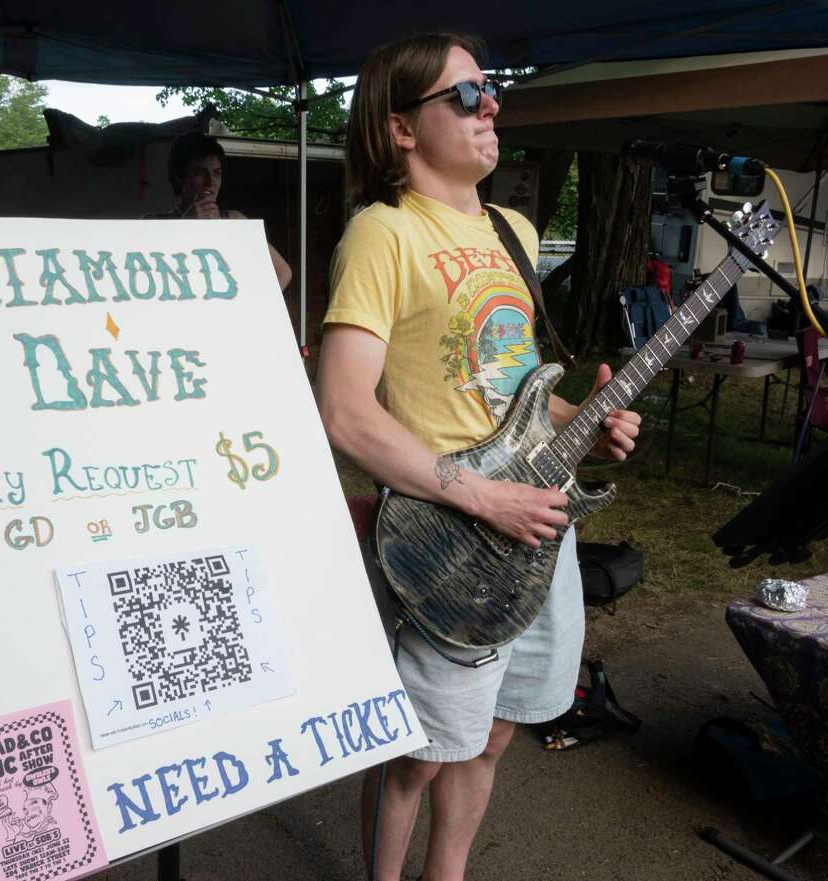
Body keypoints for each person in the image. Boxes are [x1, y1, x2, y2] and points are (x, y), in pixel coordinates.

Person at [315, 34, 641, 881]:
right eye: (464, 96)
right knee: (417, 755)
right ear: (400, 129)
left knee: (495, 731)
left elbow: (515, 390)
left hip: (538, 527)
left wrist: (587, 419)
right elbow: (345, 411)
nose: (490, 104)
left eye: (488, 90)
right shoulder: (381, 235)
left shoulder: (515, 230)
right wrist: (479, 498)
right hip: (449, 538)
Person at [154, 132, 293, 291]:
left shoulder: (234, 220)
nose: (210, 183)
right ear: (180, 177)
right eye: (199, 173)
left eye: (216, 173)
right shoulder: (154, 222)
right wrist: (186, 225)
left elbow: (283, 272)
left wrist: (256, 307)